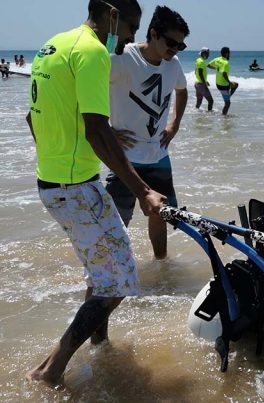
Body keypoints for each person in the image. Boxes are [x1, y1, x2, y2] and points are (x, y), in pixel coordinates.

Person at [24, 0, 165, 387]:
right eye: (132, 25)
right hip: (77, 189)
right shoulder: (93, 51)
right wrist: (143, 191)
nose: (133, 36)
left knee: (102, 270)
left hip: (52, 184)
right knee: (119, 281)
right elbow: (97, 129)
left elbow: (33, 117)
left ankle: (100, 340)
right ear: (111, 13)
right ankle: (51, 368)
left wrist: (59, 158)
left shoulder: (52, 46)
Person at [105, 5, 189, 261]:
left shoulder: (172, 64)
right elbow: (87, 90)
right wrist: (106, 129)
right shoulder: (121, 59)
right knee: (117, 222)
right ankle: (111, 274)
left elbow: (182, 91)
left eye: (181, 46)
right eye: (171, 43)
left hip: (158, 154)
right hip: (125, 157)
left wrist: (174, 124)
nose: (175, 50)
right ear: (153, 33)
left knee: (159, 214)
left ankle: (161, 264)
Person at [207, 47, 238, 115]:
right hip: (224, 85)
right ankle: (224, 116)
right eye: (229, 53)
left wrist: (216, 68)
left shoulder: (217, 59)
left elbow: (208, 65)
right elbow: (224, 74)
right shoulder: (225, 63)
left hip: (218, 83)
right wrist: (229, 83)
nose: (229, 54)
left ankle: (227, 96)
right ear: (227, 53)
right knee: (228, 103)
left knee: (235, 84)